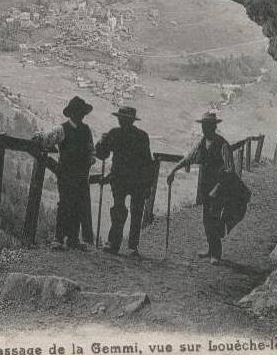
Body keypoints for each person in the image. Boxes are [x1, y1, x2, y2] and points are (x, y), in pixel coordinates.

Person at [167, 110, 237, 265]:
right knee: (207, 219)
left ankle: (216, 254)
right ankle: (211, 250)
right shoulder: (202, 143)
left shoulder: (223, 145)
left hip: (219, 189)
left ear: (214, 127)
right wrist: (174, 170)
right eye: (203, 126)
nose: (205, 129)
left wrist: (218, 187)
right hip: (206, 187)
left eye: (208, 126)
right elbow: (189, 157)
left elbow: (230, 170)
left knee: (214, 219)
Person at [33, 96, 95, 251]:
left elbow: (92, 151)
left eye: (82, 113)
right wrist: (39, 135)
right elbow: (47, 140)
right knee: (65, 204)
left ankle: (73, 239)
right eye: (77, 112)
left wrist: (90, 159)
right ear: (71, 113)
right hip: (66, 174)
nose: (80, 115)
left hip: (81, 175)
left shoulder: (86, 130)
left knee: (78, 205)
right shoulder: (61, 129)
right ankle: (58, 238)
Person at [95, 105, 153, 257]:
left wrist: (148, 185)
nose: (122, 121)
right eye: (121, 118)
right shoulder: (114, 134)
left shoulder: (141, 136)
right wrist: (101, 142)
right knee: (120, 210)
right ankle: (116, 244)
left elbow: (147, 162)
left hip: (135, 181)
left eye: (125, 119)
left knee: (134, 212)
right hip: (120, 180)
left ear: (131, 121)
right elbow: (103, 154)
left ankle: (130, 246)